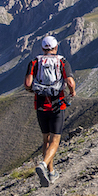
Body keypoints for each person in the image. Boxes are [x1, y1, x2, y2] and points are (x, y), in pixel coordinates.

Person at [24, 35, 76, 187]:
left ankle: (51, 173)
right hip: (57, 105)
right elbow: (70, 81)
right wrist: (72, 91)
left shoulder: (34, 62)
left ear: (42, 48)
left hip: (40, 105)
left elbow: (28, 83)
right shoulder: (61, 61)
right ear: (56, 48)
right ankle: (43, 164)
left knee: (45, 139)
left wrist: (31, 89)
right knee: (55, 140)